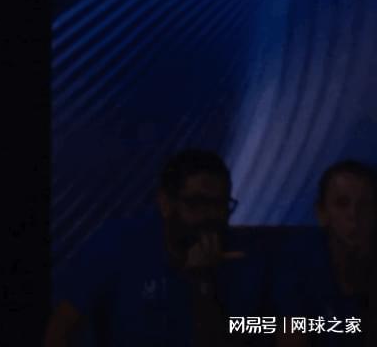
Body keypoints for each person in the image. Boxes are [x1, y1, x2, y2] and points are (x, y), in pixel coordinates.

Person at [45, 149, 268, 347]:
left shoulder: (245, 257)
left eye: (219, 205)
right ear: (165, 203)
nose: (210, 216)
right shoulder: (119, 244)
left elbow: (275, 327)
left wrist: (203, 286)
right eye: (196, 204)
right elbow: (61, 327)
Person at [274, 160, 376, 347]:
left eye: (365, 205)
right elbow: (292, 336)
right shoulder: (298, 266)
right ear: (322, 213)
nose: (353, 214)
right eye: (342, 204)